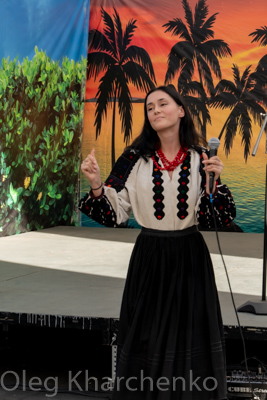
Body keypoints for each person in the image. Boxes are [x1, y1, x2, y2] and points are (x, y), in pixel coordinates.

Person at [79, 85, 236, 400]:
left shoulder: (202, 158)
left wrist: (214, 184)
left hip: (189, 254)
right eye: (149, 107)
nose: (155, 111)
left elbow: (215, 218)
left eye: (163, 104)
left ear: (181, 111)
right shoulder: (133, 158)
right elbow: (115, 214)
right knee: (146, 333)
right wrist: (96, 184)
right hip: (150, 255)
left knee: (190, 331)